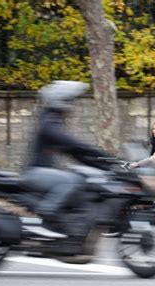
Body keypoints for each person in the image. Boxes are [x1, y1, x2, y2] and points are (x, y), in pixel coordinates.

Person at [22, 81, 112, 238]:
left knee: (82, 179)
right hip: (35, 173)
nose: (74, 105)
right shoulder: (49, 123)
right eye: (71, 100)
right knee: (71, 180)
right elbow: (75, 145)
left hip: (43, 172)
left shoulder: (53, 121)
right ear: (60, 101)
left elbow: (75, 153)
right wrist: (103, 155)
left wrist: (105, 165)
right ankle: (48, 218)